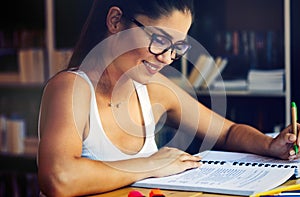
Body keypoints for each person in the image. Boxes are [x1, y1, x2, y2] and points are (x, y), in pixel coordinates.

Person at [38, 0, 300, 196]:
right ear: (116, 21)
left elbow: (227, 132)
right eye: (159, 40)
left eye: (177, 47)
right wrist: (149, 165)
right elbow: (59, 178)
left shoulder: (154, 90)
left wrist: (269, 146)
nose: (165, 58)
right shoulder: (71, 88)